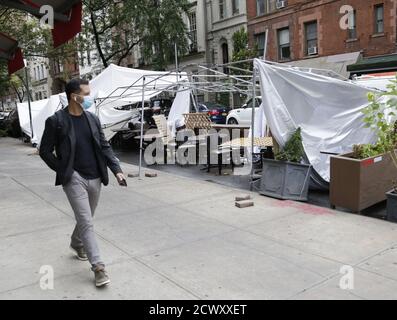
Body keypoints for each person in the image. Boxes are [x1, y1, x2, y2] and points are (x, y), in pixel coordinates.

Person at [40, 79, 127, 287]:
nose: (89, 98)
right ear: (74, 96)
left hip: (95, 175)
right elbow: (44, 150)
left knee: (87, 217)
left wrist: (117, 171)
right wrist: (62, 170)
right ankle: (98, 267)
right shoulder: (56, 121)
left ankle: (76, 243)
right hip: (74, 178)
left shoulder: (93, 119)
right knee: (87, 221)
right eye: (86, 94)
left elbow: (104, 146)